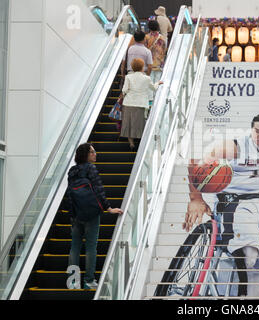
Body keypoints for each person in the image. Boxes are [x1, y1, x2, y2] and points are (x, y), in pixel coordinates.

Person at [183, 111, 259, 297]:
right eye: (257, 131)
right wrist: (196, 199)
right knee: (249, 252)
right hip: (236, 200)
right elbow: (194, 162)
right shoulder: (234, 146)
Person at [67, 143, 123, 289]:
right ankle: (88, 281)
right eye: (92, 152)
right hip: (91, 214)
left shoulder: (72, 171)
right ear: (85, 155)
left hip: (76, 214)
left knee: (75, 247)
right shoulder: (91, 168)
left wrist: (72, 214)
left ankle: (73, 282)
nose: (95, 154)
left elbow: (70, 195)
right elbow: (98, 190)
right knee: (91, 247)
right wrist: (108, 208)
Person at [121, 58, 162, 150]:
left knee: (129, 122)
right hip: (141, 104)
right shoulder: (146, 78)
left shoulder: (128, 77)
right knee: (140, 123)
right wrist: (158, 83)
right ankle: (141, 143)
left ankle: (131, 143)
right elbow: (154, 88)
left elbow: (124, 90)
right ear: (142, 67)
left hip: (129, 102)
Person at [146, 20, 167, 102]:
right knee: (158, 81)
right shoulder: (162, 38)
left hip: (149, 63)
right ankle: (157, 99)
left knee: (149, 81)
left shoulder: (147, 37)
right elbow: (164, 50)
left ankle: (150, 99)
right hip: (159, 63)